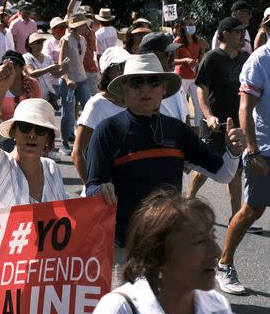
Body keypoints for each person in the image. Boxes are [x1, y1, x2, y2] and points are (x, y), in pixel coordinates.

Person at [76, 191, 270, 314]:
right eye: (199, 241)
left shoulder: (217, 307)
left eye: (213, 237)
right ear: (159, 255)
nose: (217, 252)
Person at [84, 53, 245, 249]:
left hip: (167, 247)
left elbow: (223, 174)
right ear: (124, 89)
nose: (145, 88)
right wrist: (101, 189)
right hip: (123, 246)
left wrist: (233, 151)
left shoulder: (178, 131)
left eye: (153, 81)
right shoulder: (107, 130)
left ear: (164, 88)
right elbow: (92, 187)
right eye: (136, 82)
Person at [0, 65, 72, 314]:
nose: (32, 134)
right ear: (14, 132)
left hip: (43, 289)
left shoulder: (52, 170)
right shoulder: (1, 166)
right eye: (25, 128)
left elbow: (68, 221)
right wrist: (0, 90)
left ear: (48, 138)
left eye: (40, 130)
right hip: (6, 289)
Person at [216, 40, 270, 295]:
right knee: (252, 210)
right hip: (264, 149)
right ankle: (224, 263)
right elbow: (245, 108)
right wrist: (253, 151)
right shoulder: (260, 59)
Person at [188, 17, 253, 229]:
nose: (242, 35)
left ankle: (236, 217)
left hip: (238, 126)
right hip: (216, 124)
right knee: (208, 166)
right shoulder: (212, 58)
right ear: (224, 34)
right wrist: (208, 115)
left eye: (243, 31)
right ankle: (189, 199)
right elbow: (202, 89)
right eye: (237, 32)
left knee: (236, 171)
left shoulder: (245, 57)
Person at [71, 46, 129, 184]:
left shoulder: (134, 101)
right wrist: (92, 188)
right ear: (108, 72)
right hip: (103, 191)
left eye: (128, 64)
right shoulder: (96, 105)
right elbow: (78, 153)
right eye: (121, 65)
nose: (126, 69)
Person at [58, 13, 92, 154]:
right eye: (84, 24)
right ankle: (64, 142)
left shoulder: (83, 39)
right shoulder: (66, 39)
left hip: (82, 78)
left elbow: (80, 61)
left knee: (90, 108)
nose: (87, 27)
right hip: (68, 81)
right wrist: (67, 79)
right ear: (79, 26)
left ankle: (87, 141)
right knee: (67, 112)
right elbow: (61, 63)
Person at [0, 50, 42, 152]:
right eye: (5, 66)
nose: (9, 69)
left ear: (22, 68)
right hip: (5, 134)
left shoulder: (33, 84)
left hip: (28, 133)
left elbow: (38, 111)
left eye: (13, 66)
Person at [139, 32, 190, 123]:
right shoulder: (141, 89)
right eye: (168, 53)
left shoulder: (175, 81)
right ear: (152, 56)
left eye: (174, 52)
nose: (173, 57)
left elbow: (185, 114)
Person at [174, 15, 205, 129]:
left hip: (194, 77)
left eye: (193, 24)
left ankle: (198, 131)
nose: (192, 27)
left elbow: (200, 61)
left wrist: (203, 50)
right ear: (183, 26)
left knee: (199, 106)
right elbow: (171, 61)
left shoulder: (197, 41)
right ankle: (181, 129)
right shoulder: (177, 41)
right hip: (181, 78)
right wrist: (185, 60)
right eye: (189, 24)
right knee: (181, 105)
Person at [23, 32, 62, 102]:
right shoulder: (26, 57)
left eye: (41, 43)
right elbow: (32, 73)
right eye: (37, 43)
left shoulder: (47, 57)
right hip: (33, 95)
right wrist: (50, 68)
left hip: (48, 95)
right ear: (30, 45)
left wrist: (64, 67)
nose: (40, 45)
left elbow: (56, 75)